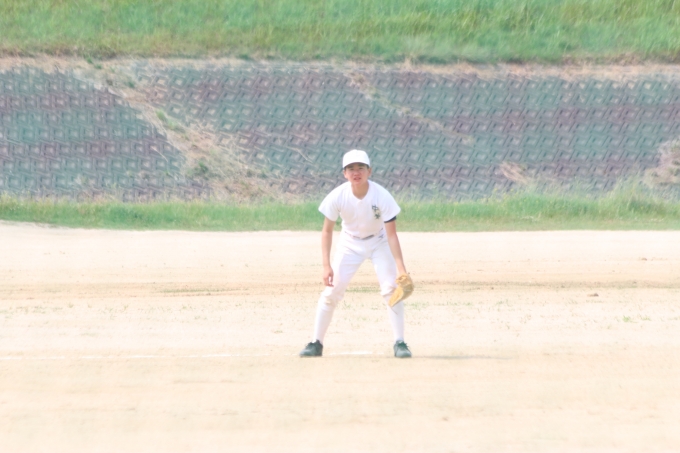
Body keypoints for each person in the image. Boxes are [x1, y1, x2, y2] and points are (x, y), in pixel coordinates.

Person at [299, 149, 412, 358]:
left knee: (391, 288)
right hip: (349, 243)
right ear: (344, 173)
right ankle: (316, 343)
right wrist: (326, 266)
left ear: (370, 171)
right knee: (331, 292)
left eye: (361, 167)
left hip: (379, 241)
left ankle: (400, 343)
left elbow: (392, 235)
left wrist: (401, 269)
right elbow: (327, 231)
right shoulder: (338, 196)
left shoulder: (382, 195)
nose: (356, 172)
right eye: (351, 168)